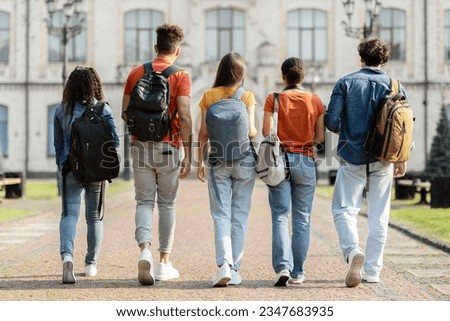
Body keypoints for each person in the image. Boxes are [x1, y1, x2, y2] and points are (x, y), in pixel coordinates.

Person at [325, 38, 407, 287]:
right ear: (383, 60)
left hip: (352, 155)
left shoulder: (346, 82)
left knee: (343, 209)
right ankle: (372, 271)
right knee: (379, 215)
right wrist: (402, 157)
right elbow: (404, 125)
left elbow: (331, 121)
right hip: (384, 158)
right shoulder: (396, 85)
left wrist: (348, 131)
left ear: (361, 57)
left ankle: (352, 251)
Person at [121, 23, 192, 285]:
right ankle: (164, 262)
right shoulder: (181, 76)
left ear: (155, 47)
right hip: (168, 147)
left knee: (143, 202)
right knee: (167, 204)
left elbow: (125, 112)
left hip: (140, 146)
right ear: (178, 50)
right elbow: (184, 115)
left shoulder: (136, 73)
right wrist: (189, 153)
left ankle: (145, 251)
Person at [262, 58, 325, 286]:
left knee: (280, 215)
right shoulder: (315, 101)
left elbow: (266, 131)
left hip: (279, 161)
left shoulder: (273, 99)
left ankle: (282, 268)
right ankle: (298, 271)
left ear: (283, 76)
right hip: (306, 161)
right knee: (303, 218)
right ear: (303, 77)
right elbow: (320, 137)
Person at [54, 66, 119, 284]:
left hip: (70, 170)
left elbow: (57, 145)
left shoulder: (61, 111)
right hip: (97, 171)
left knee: (69, 215)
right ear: (95, 85)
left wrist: (63, 165)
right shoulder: (103, 110)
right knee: (94, 217)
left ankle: (67, 257)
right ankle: (91, 264)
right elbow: (115, 142)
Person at [197, 52, 257, 287]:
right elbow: (252, 132)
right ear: (241, 73)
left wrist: (199, 162)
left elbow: (203, 133)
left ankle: (223, 264)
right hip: (244, 161)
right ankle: (235, 270)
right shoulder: (248, 96)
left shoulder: (208, 96)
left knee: (221, 214)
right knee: (240, 215)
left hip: (218, 160)